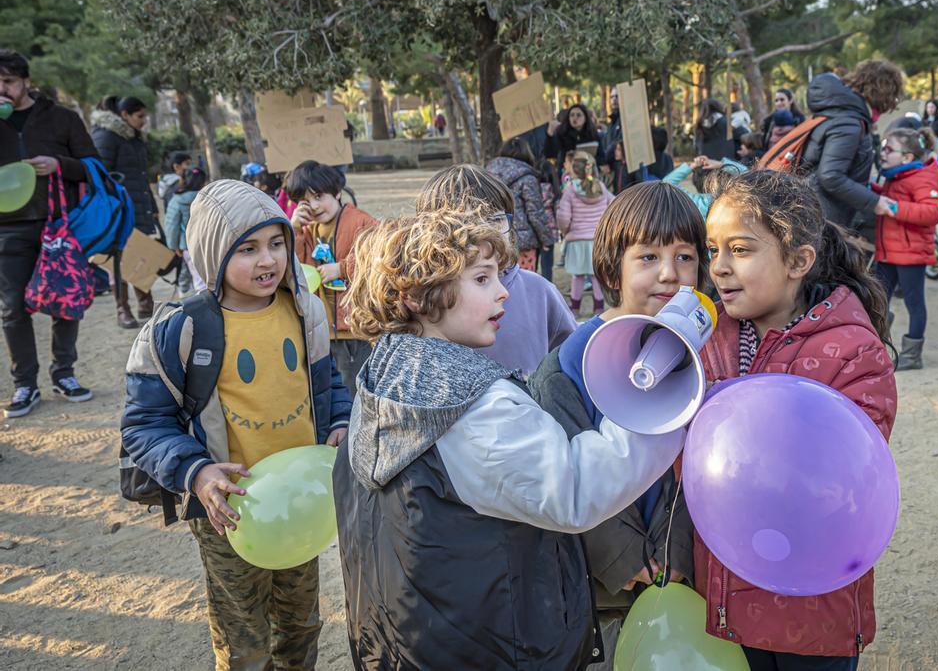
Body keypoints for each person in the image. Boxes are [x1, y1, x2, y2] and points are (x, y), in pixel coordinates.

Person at [331, 207, 685, 670]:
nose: (502, 292)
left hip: (408, 642)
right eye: (481, 279)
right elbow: (575, 490)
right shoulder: (476, 406)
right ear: (417, 295)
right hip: (494, 647)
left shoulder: (378, 382)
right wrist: (658, 405)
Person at [121, 179, 352, 669]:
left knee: (301, 622)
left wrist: (340, 421)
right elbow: (143, 425)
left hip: (300, 502)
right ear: (211, 253)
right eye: (247, 249)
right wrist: (197, 472)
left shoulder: (303, 308)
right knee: (242, 636)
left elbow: (327, 382)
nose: (267, 260)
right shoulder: (180, 326)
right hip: (228, 511)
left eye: (276, 244)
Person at [700, 169, 897, 669]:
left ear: (798, 261)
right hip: (722, 594)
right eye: (712, 249)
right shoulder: (706, 337)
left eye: (740, 250)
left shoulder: (854, 352)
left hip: (810, 611)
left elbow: (846, 473)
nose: (719, 267)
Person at [528, 182, 704, 670]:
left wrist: (678, 552)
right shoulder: (566, 365)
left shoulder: (705, 361)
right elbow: (566, 475)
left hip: (679, 582)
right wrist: (625, 560)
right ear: (611, 266)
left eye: (685, 257)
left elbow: (698, 471)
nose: (669, 274)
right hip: (600, 593)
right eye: (647, 256)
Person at [0, 50, 100, 416]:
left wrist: (59, 164)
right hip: (6, 229)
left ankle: (65, 373)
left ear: (26, 81)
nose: (2, 89)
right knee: (12, 308)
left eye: (8, 80)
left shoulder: (62, 118)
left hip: (59, 224)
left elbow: (93, 167)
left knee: (66, 300)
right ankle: (25, 384)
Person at [415, 164, 575, 379]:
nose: (487, 231)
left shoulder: (539, 291)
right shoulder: (424, 299)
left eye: (496, 220)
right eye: (469, 222)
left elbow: (573, 360)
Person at [287, 160, 379, 399]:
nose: (315, 206)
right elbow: (297, 269)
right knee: (336, 394)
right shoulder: (308, 230)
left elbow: (383, 258)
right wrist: (294, 230)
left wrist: (342, 268)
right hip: (324, 330)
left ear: (337, 192)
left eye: (319, 196)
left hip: (356, 331)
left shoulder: (360, 221)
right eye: (305, 201)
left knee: (357, 395)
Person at [800, 60, 906, 231]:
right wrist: (874, 201)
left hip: (818, 211)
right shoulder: (849, 122)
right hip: (823, 217)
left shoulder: (843, 113)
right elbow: (830, 175)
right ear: (883, 92)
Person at [873, 127, 938, 371]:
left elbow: (934, 212)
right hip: (889, 251)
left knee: (914, 303)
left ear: (907, 157)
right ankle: (877, 345)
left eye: (889, 149)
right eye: (883, 146)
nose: (883, 153)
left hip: (910, 254)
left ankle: (912, 355)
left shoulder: (922, 177)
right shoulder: (897, 176)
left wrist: (893, 208)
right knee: (877, 298)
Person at [92, 95, 158, 328]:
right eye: (140, 116)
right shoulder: (106, 137)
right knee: (116, 260)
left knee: (140, 255)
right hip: (116, 209)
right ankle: (123, 309)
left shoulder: (133, 139)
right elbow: (98, 175)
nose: (144, 121)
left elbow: (140, 176)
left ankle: (145, 303)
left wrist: (153, 207)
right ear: (125, 115)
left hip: (137, 205)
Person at [486, 137, 556, 272]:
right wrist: (546, 240)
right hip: (523, 243)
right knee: (523, 284)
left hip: (495, 240)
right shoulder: (527, 178)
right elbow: (535, 213)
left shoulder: (487, 175)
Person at [558, 153, 614, 316]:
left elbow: (563, 216)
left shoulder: (570, 190)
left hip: (577, 241)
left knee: (578, 276)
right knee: (596, 276)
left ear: (574, 171)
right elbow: (614, 203)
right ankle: (598, 308)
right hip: (597, 241)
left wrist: (565, 230)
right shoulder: (600, 188)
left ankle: (575, 308)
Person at [163, 166, 208, 294]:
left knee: (199, 280)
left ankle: (205, 305)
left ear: (184, 180)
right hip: (212, 243)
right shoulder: (210, 198)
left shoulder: (177, 200)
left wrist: (174, 246)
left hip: (188, 245)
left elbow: (172, 225)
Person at [663, 154, 748, 218]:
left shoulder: (693, 203)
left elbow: (666, 183)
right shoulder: (733, 199)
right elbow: (747, 175)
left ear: (696, 183)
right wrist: (721, 164)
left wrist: (692, 166)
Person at [547, 103, 601, 176]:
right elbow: (551, 152)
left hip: (588, 172)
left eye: (578, 115)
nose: (575, 118)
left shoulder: (593, 134)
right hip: (567, 173)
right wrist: (550, 134)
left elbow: (600, 153)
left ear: (585, 118)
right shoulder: (562, 134)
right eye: (572, 115)